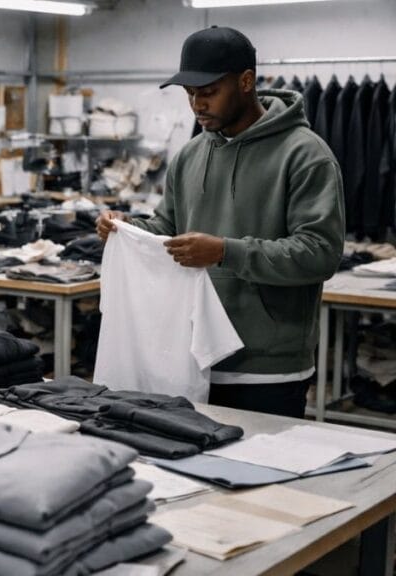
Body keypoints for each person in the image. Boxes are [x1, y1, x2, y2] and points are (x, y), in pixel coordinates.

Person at [96, 26, 344, 417]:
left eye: (209, 91)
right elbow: (168, 230)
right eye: (190, 93)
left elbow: (320, 253)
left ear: (246, 81)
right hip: (191, 360)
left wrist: (225, 252)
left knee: (264, 460)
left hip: (267, 369)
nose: (197, 104)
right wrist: (126, 228)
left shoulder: (305, 155)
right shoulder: (190, 155)